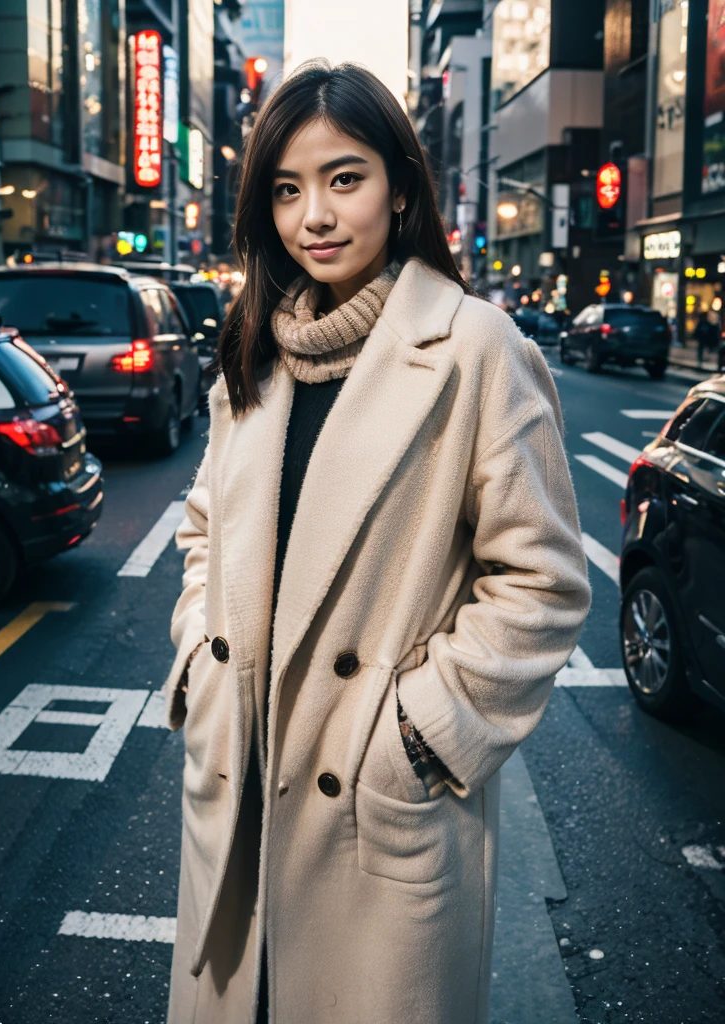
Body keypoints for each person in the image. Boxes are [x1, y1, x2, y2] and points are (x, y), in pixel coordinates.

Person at [164, 59, 591, 1024]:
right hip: (237, 788)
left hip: (372, 816)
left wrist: (419, 735)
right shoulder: (255, 348)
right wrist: (198, 657)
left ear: (400, 186)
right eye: (286, 188)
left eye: (343, 178)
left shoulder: (477, 347)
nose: (313, 213)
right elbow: (204, 527)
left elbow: (543, 584)